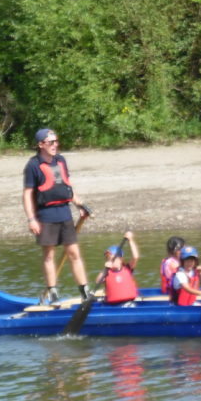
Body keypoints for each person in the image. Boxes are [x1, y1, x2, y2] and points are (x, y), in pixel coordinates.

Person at [22, 128, 90, 303]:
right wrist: (31, 219)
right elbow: (28, 194)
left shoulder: (60, 161)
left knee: (74, 252)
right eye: (51, 142)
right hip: (45, 214)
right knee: (49, 255)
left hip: (64, 211)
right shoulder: (33, 165)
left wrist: (79, 204)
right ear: (41, 145)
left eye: (56, 141)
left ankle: (85, 290)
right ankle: (52, 292)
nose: (55, 145)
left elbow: (66, 186)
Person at [96, 231, 140, 304]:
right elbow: (98, 281)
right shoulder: (106, 272)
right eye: (108, 259)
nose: (110, 261)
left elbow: (135, 257)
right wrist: (104, 269)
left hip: (129, 303)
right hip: (112, 305)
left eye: (113, 259)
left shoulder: (127, 268)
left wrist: (131, 240)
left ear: (121, 259)